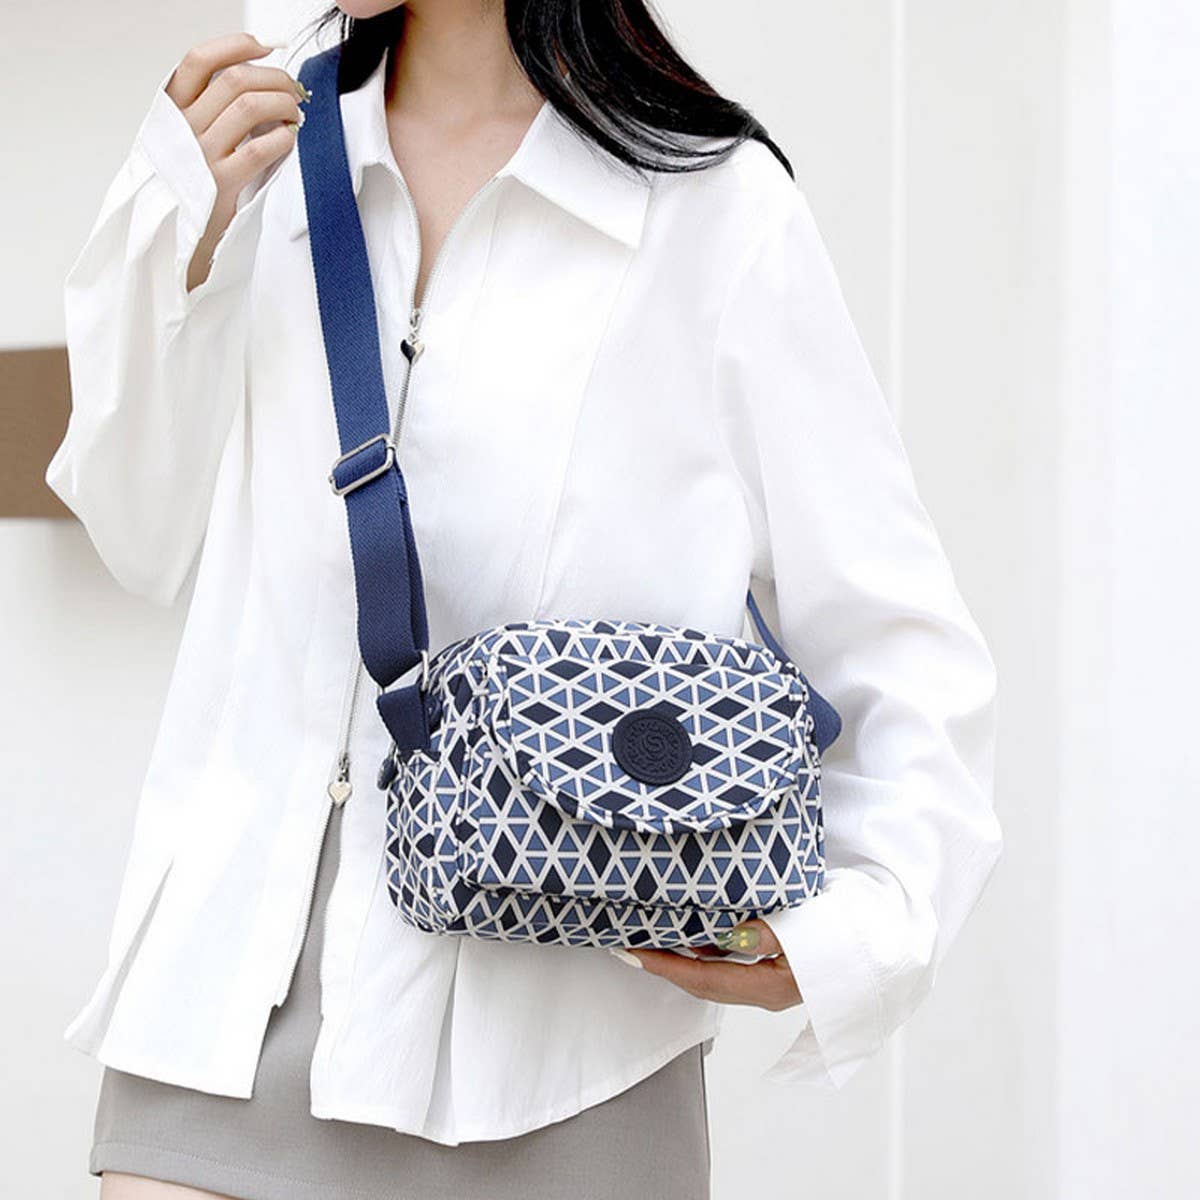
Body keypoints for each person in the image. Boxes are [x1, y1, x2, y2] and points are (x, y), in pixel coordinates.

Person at [47, 3, 1004, 1198]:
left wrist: (848, 937)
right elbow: (140, 531)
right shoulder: (251, 155)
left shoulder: (711, 211)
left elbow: (898, 638)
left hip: (556, 1067)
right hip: (215, 1017)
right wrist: (177, 233)